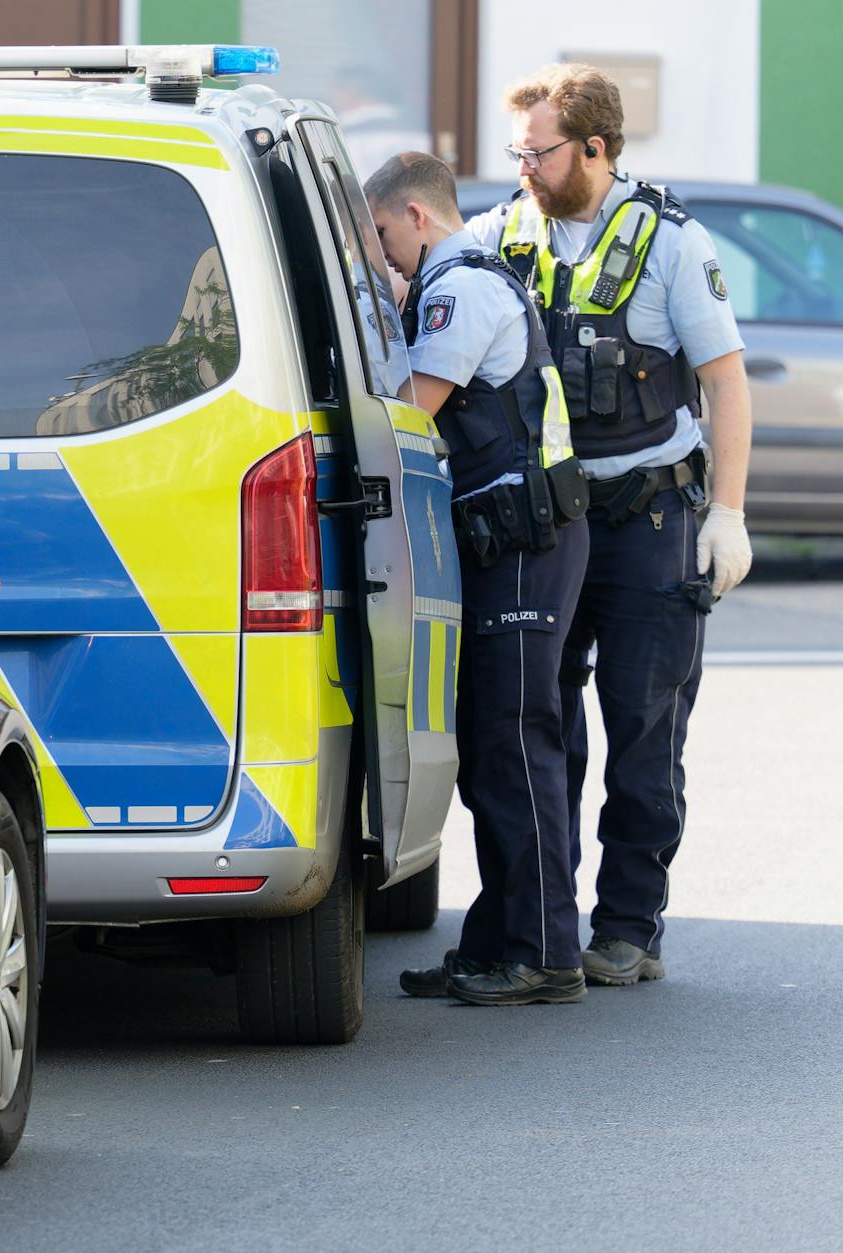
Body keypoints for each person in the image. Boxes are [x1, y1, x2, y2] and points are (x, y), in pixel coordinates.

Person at [466, 65, 753, 986]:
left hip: (647, 517)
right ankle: (539, 922)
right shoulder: (499, 233)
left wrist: (732, 516)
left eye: (538, 152)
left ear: (594, 148)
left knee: (642, 728)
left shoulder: (671, 243)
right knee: (534, 721)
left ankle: (629, 922)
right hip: (544, 522)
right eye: (516, 151)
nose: (524, 169)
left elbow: (727, 382)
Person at [366, 151, 592, 1006]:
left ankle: (545, 953)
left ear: (416, 216)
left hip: (526, 541)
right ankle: (498, 941)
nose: (386, 254)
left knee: (515, 743)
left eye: (385, 234)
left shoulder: (460, 283)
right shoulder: (455, 278)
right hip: (505, 541)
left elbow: (409, 407)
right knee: (488, 749)